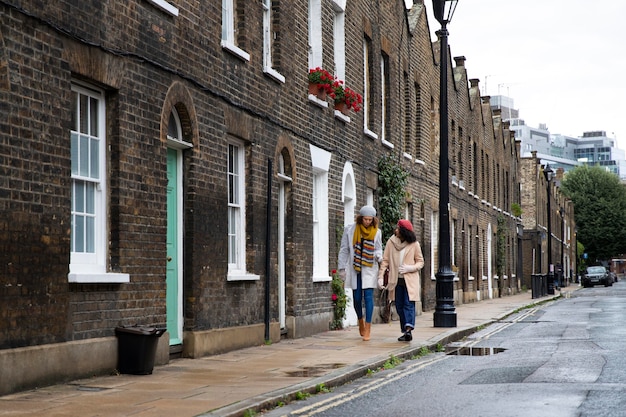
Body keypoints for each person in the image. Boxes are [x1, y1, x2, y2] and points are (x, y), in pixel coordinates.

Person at [338, 205, 383, 341]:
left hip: (369, 268)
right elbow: (344, 249)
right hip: (355, 268)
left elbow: (378, 249)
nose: (367, 222)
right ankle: (360, 320)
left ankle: (368, 328)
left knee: (368, 297)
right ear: (360, 218)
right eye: (365, 219)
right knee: (357, 298)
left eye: (370, 220)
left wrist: (378, 256)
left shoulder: (377, 232)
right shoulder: (350, 230)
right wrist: (341, 268)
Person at [378, 219, 424, 342]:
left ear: (404, 232)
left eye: (398, 229)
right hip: (396, 280)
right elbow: (385, 261)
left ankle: (408, 329)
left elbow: (420, 262)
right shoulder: (391, 242)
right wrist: (381, 277)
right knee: (399, 306)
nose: (396, 230)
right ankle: (405, 331)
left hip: (410, 281)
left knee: (408, 305)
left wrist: (410, 268)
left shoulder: (414, 244)